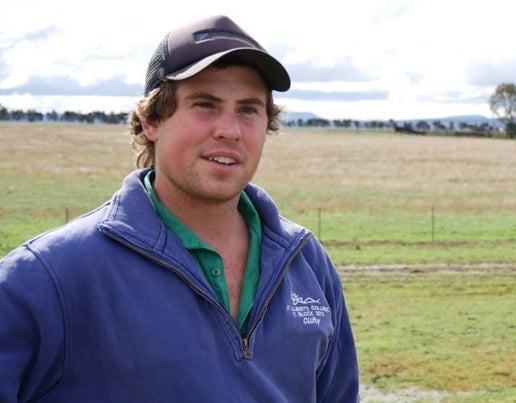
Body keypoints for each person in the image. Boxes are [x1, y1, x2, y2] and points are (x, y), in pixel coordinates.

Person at [0, 15, 359, 402]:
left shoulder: (305, 263)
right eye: (205, 105)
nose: (230, 130)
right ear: (152, 120)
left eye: (248, 109)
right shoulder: (49, 277)